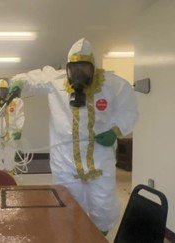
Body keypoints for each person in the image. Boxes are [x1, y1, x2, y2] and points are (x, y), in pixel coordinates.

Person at [9, 38, 138, 234]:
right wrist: (18, 83)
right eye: (74, 68)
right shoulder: (56, 81)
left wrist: (115, 130)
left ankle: (98, 236)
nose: (79, 74)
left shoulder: (112, 85)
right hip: (65, 163)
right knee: (66, 205)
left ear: (93, 67)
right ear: (67, 68)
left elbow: (129, 108)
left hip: (100, 161)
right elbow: (31, 79)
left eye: (84, 68)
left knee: (103, 206)